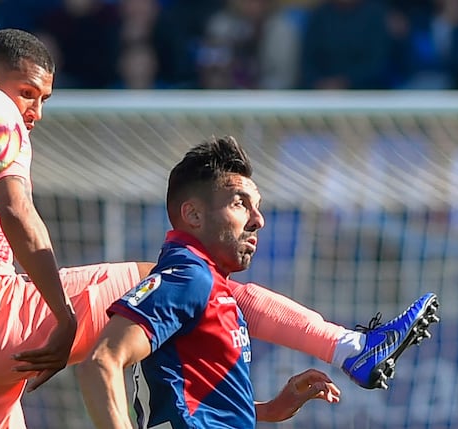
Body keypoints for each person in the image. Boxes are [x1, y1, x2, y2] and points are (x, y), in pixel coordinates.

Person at [0, 28, 439, 429]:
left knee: (163, 310)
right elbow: (19, 216)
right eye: (28, 92)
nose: (34, 110)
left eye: (44, 99)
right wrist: (61, 316)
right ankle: (348, 347)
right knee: (185, 280)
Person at [77, 136, 342, 428]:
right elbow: (101, 361)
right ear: (193, 214)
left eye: (257, 206)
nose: (258, 220)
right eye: (240, 203)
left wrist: (265, 410)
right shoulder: (188, 278)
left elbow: (186, 395)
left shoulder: (206, 283)